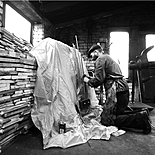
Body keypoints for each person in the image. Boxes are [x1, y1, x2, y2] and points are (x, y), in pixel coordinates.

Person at [83, 42, 152, 134]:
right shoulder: (108, 57)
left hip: (117, 91)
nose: (91, 58)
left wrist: (87, 80)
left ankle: (140, 118)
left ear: (96, 51)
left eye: (91, 55)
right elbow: (104, 77)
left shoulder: (100, 59)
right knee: (116, 114)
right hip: (122, 89)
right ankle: (142, 113)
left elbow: (98, 80)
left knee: (107, 120)